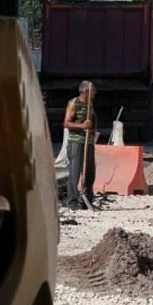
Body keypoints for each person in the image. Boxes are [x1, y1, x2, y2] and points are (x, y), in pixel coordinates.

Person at [63, 80, 96, 209]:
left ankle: (87, 199)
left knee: (89, 172)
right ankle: (72, 201)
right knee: (75, 172)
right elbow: (66, 123)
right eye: (93, 91)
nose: (95, 93)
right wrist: (82, 126)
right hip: (76, 142)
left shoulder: (90, 104)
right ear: (86, 92)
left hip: (88, 141)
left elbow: (93, 119)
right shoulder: (74, 103)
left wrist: (93, 131)